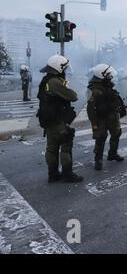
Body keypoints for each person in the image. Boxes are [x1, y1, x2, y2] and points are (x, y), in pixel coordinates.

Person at [37, 55, 83, 183]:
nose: (65, 71)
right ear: (58, 68)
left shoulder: (46, 80)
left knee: (51, 148)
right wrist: (67, 85)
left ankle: (53, 174)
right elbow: (73, 96)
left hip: (48, 119)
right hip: (57, 120)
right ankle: (67, 174)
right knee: (66, 145)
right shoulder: (55, 82)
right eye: (64, 68)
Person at [87, 63, 127, 171]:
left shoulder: (108, 85)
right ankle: (98, 159)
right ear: (102, 75)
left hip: (112, 117)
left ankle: (112, 154)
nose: (110, 76)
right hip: (101, 119)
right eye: (108, 74)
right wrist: (94, 124)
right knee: (101, 138)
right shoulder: (95, 90)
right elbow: (90, 109)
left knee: (117, 133)